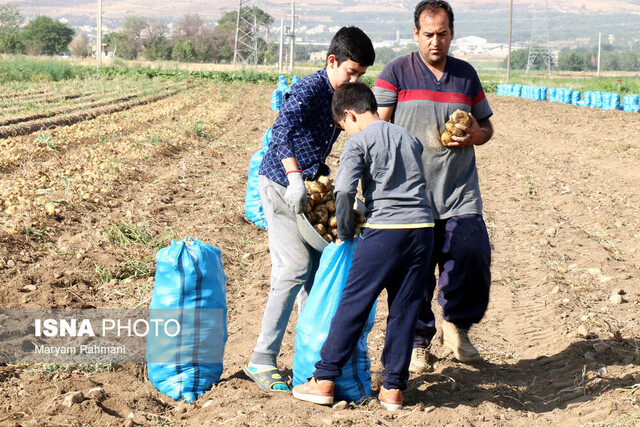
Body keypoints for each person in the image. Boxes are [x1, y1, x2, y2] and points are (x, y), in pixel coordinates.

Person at [244, 27, 375, 393]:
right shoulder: (309, 88)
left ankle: (310, 356)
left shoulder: (339, 96)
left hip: (309, 188)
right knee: (294, 268)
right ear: (331, 61)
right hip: (280, 185)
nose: (354, 80)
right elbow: (281, 130)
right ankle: (262, 358)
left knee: (320, 272)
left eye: (361, 76)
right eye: (350, 72)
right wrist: (294, 176)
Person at [292, 82, 434, 410]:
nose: (345, 132)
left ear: (349, 114)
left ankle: (324, 379)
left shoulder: (358, 142)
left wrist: (344, 235)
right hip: (423, 230)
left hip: (386, 230)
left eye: (343, 126)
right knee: (405, 308)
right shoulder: (408, 137)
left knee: (353, 303)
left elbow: (343, 192)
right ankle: (393, 390)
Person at [373, 0, 494, 372]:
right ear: (416, 34)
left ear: (451, 33)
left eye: (442, 34)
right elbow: (375, 128)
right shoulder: (396, 72)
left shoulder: (466, 76)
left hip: (458, 191)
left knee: (472, 252)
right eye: (428, 34)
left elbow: (487, 128)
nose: (435, 42)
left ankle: (457, 324)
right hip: (409, 197)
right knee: (415, 273)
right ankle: (418, 342)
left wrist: (476, 135)